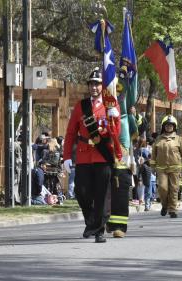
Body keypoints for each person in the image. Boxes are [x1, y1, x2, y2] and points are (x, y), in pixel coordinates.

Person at [62, 67, 120, 243]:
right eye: (91, 84)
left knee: (102, 194)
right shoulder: (81, 106)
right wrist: (66, 156)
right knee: (81, 191)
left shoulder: (111, 105)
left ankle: (99, 230)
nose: (94, 87)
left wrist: (115, 118)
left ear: (103, 86)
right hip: (84, 155)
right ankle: (92, 221)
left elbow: (115, 134)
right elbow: (71, 132)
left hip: (102, 156)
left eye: (97, 84)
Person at [150, 115, 182, 218]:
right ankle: (164, 205)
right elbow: (154, 154)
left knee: (174, 189)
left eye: (171, 125)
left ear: (174, 127)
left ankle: (173, 210)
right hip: (161, 168)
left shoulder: (179, 139)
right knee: (163, 188)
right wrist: (152, 166)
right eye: (167, 125)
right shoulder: (158, 139)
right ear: (164, 126)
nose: (169, 127)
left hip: (175, 168)